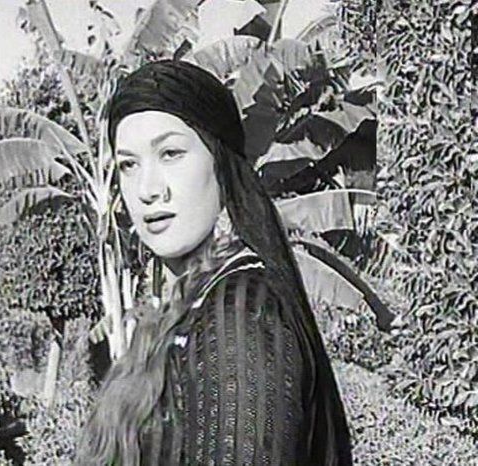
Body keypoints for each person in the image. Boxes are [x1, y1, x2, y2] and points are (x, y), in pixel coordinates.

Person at [77, 60, 352, 465]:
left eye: (170, 154)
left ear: (220, 163)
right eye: (128, 165)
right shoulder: (192, 303)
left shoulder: (241, 308)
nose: (147, 189)